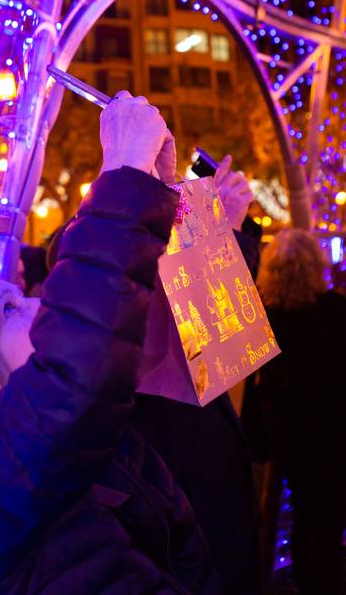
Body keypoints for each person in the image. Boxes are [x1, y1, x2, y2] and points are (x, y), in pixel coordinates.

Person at [0, 93, 222, 594]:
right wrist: (124, 177)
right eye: (8, 307)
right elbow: (76, 370)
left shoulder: (83, 441)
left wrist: (167, 203)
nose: (35, 303)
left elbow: (178, 324)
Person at [133, 156, 263, 595]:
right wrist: (214, 229)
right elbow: (219, 343)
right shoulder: (128, 240)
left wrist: (222, 229)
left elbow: (226, 343)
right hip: (180, 455)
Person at [243, 229, 346, 595]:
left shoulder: (266, 317)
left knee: (300, 512)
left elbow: (257, 381)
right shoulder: (336, 310)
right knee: (328, 517)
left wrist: (255, 436)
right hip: (334, 430)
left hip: (288, 430)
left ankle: (300, 578)